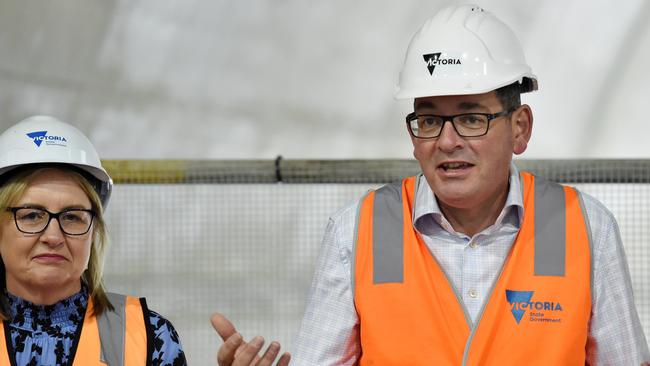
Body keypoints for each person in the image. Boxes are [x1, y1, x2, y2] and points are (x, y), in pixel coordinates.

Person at [216, 4, 650, 365]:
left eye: (470, 118)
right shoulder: (358, 233)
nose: (446, 141)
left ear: (520, 128)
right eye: (428, 120)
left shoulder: (586, 229)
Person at [0, 116, 187, 365]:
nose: (53, 236)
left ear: (93, 231)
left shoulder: (150, 337)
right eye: (32, 215)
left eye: (72, 217)